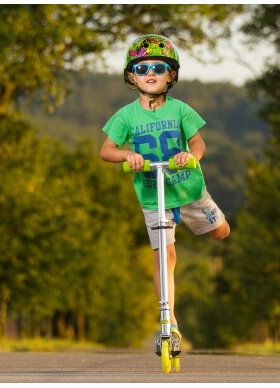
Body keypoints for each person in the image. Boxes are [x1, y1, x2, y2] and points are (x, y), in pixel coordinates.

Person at [100, 34, 230, 355]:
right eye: (142, 69)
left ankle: (209, 224)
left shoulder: (181, 110)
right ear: (132, 76)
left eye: (159, 67)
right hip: (152, 193)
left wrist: (192, 156)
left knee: (220, 232)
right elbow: (106, 150)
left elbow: (198, 143)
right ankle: (168, 319)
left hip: (187, 188)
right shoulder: (126, 116)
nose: (151, 73)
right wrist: (127, 155)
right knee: (165, 256)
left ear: (171, 74)